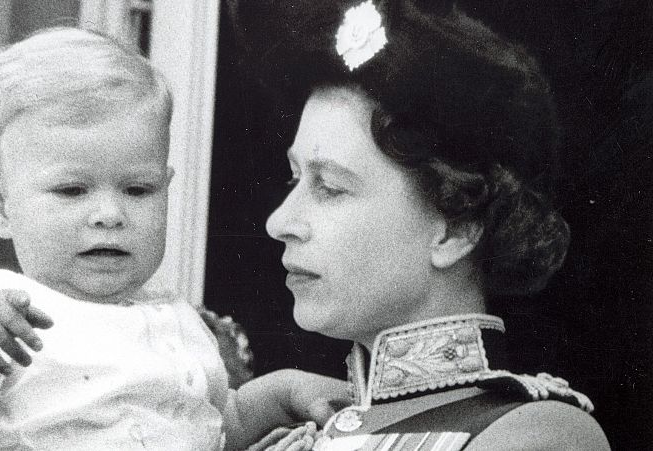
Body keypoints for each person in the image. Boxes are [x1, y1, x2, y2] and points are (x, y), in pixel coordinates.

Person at [0, 27, 346, 451]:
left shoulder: (179, 322)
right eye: (72, 190)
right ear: (0, 205)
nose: (109, 215)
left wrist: (284, 393)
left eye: (138, 190)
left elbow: (212, 427)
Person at [230, 0, 612, 449]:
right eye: (295, 178)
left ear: (456, 227)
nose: (280, 221)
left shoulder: (533, 435)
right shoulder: (281, 426)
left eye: (329, 186)